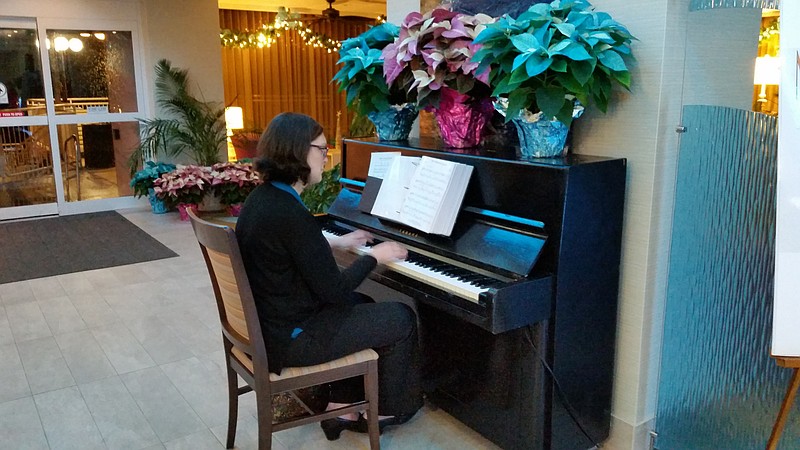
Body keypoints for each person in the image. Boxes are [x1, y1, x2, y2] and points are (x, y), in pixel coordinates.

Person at [235, 112, 423, 440]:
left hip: (271, 327)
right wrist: (374, 257)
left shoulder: (263, 199)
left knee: (361, 301)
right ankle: (387, 409)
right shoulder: (291, 214)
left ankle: (342, 404)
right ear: (297, 151)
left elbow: (285, 251)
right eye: (322, 149)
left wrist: (333, 242)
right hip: (291, 340)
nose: (326, 156)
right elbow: (333, 292)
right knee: (401, 317)